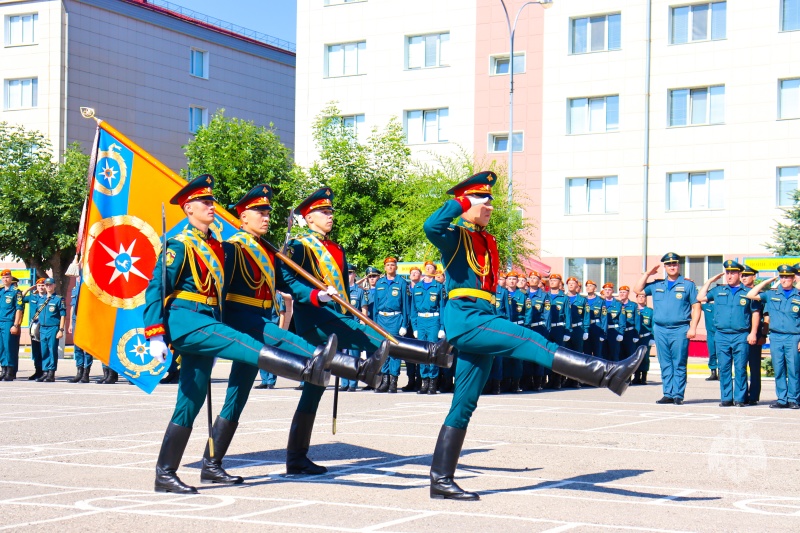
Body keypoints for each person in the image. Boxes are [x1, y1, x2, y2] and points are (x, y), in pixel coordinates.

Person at [423, 171, 645, 501]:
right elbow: (431, 226)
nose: (489, 207)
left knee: (464, 404)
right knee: (532, 341)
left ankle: (440, 480)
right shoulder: (455, 236)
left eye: (490, 202)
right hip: (466, 318)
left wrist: (473, 205)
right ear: (467, 202)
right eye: (482, 201)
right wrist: (460, 202)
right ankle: (606, 374)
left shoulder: (488, 239)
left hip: (483, 315)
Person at [144, 176, 339, 494]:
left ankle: (175, 471)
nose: (211, 207)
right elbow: (157, 288)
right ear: (188, 207)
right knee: (246, 343)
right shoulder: (179, 244)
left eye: (211, 202)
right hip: (188, 322)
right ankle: (305, 367)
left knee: (190, 402)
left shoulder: (216, 247)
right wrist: (154, 333)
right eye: (204, 203)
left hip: (209, 318)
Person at [280, 187, 452, 473]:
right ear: (309, 218)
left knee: (314, 389)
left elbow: (345, 290)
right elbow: (284, 278)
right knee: (372, 338)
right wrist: (313, 295)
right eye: (324, 212)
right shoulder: (299, 247)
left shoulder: (335, 248)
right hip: (316, 318)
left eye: (331, 211)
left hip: (337, 315)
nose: (330, 216)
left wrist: (347, 305)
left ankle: (296, 458)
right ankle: (431, 353)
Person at [634, 253, 701, 406]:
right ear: (664, 267)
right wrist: (647, 274)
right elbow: (637, 290)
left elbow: (696, 306)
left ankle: (678, 394)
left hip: (680, 328)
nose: (672, 267)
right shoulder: (657, 284)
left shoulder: (688, 285)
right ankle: (668, 393)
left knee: (679, 362)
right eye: (669, 265)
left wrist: (693, 328)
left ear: (679, 266)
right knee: (665, 362)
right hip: (660, 329)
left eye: (675, 264)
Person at [697, 261, 760, 407]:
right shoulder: (718, 291)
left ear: (739, 274)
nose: (729, 276)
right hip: (722, 335)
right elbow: (700, 298)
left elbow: (755, 313)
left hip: (741, 334)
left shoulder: (748, 293)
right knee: (724, 367)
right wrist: (710, 281)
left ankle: (739, 398)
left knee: (740, 368)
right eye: (727, 273)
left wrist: (753, 333)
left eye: (733, 273)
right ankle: (726, 398)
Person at [746, 265, 800, 409]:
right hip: (776, 337)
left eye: (787, 277)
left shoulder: (798, 295)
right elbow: (751, 294)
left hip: (793, 337)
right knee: (779, 368)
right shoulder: (772, 294)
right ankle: (782, 399)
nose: (784, 280)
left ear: (793, 279)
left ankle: (794, 399)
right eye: (782, 277)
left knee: (794, 369)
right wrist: (767, 281)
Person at [373, 257, 411, 393]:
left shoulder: (401, 283)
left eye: (392, 265)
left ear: (396, 267)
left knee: (394, 351)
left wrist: (404, 325)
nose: (390, 267)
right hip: (381, 319)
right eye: (388, 265)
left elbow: (406, 306)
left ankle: (393, 381)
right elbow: (375, 306)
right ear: (384, 267)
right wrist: (374, 322)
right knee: (383, 350)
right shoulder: (379, 283)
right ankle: (384, 380)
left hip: (396, 319)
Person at [411, 261, 446, 394]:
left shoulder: (438, 287)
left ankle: (432, 382)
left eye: (431, 267)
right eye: (427, 267)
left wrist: (442, 326)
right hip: (420, 321)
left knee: (432, 351)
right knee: (422, 352)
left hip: (433, 320)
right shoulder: (418, 287)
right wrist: (414, 326)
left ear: (434, 270)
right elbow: (413, 308)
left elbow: (442, 307)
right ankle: (423, 381)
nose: (428, 269)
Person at [342, 264, 369, 392]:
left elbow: (364, 310)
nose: (348, 276)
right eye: (346, 273)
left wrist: (362, 326)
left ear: (354, 275)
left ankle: (353, 383)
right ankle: (344, 382)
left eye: (350, 273)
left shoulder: (359, 292)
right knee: (343, 355)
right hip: (343, 326)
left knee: (354, 355)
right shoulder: (340, 291)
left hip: (355, 326)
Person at [741, 265, 764, 405]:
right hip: (741, 334)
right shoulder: (739, 292)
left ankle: (754, 395)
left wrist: (762, 334)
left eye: (747, 275)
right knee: (741, 366)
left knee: (754, 367)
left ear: (754, 277)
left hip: (756, 333)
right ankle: (742, 394)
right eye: (742, 275)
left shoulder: (759, 293)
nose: (744, 278)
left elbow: (765, 316)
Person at [37, 278, 65, 383]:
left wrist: (61, 330)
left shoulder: (58, 299)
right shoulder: (41, 299)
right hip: (43, 328)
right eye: (46, 285)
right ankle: (45, 372)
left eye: (50, 285)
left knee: (52, 350)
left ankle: (51, 373)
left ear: (54, 286)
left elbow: (62, 315)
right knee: (44, 351)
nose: (48, 286)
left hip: (53, 327)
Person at [545, 274, 571, 389]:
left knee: (559, 356)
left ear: (560, 283)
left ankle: (558, 380)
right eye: (551, 280)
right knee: (548, 354)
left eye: (555, 280)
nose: (552, 282)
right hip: (548, 328)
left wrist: (567, 331)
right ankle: (549, 379)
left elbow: (568, 316)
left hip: (559, 329)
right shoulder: (546, 296)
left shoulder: (564, 298)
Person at [525, 270, 549, 390]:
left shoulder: (544, 296)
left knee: (539, 354)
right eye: (531, 278)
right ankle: (528, 381)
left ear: (540, 281)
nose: (533, 280)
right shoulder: (524, 294)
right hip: (527, 327)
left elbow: (547, 314)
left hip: (539, 327)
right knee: (527, 354)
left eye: (536, 278)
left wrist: (546, 328)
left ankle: (539, 381)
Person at [563, 276, 589, 388]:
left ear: (577, 286)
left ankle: (576, 379)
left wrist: (586, 329)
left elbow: (586, 315)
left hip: (578, 329)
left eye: (573, 283)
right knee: (567, 355)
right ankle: (567, 378)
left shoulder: (582, 300)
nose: (571, 285)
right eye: (569, 283)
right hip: (566, 329)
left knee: (577, 354)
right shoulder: (563, 298)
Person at [0, 269, 24, 381]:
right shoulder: (0, 291)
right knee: (1, 347)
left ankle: (10, 371)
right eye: (4, 277)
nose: (5, 279)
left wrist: (16, 325)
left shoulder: (16, 292)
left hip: (9, 322)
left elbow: (19, 309)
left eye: (7, 277)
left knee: (9, 347)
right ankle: (3, 369)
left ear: (11, 278)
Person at [68, 277, 93, 383]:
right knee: (77, 348)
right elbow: (73, 306)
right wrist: (70, 324)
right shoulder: (75, 288)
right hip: (75, 320)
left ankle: (86, 374)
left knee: (87, 348)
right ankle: (79, 372)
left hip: (87, 320)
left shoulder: (89, 287)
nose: (79, 277)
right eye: (78, 275)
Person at [22, 278, 46, 381]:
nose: (41, 287)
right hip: (34, 326)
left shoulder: (48, 297)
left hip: (44, 326)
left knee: (44, 349)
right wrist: (28, 289)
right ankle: (38, 371)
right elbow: (20, 298)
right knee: (36, 350)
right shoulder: (32, 296)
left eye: (43, 285)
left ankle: (45, 371)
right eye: (39, 286)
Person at [632, 292, 654, 384]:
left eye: (643, 296)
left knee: (645, 357)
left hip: (645, 338)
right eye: (639, 296)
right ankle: (636, 376)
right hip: (635, 337)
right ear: (636, 298)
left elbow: (653, 325)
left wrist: (652, 338)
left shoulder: (650, 311)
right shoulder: (634, 309)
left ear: (645, 299)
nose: (641, 298)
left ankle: (644, 377)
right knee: (635, 357)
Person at [600, 282, 625, 363]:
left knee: (614, 355)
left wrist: (621, 333)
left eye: (609, 290)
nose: (607, 291)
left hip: (614, 332)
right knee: (603, 355)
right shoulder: (600, 302)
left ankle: (614, 374)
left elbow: (622, 320)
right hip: (603, 331)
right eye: (605, 290)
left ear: (612, 291)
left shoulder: (618, 304)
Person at [584, 280, 605, 359]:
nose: (588, 287)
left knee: (597, 352)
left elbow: (604, 318)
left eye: (590, 286)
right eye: (587, 286)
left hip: (597, 327)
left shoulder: (600, 301)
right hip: (586, 328)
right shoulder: (583, 300)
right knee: (586, 352)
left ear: (595, 288)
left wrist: (603, 332)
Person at [619, 286, 638, 360]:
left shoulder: (633, 305)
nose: (622, 294)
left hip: (630, 333)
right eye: (620, 292)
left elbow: (637, 321)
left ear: (628, 293)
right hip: (619, 332)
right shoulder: (617, 304)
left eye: (624, 292)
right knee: (619, 354)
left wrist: (636, 335)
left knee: (630, 355)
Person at [701, 299, 718, 381]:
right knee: (712, 353)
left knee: (721, 354)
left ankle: (722, 373)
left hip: (720, 333)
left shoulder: (720, 305)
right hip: (710, 333)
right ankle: (713, 372)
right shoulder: (706, 306)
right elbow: (698, 300)